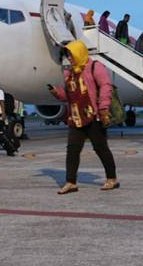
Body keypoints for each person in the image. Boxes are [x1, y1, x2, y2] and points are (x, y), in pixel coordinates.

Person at [49, 40, 119, 194]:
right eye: (67, 55)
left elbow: (106, 86)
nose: (69, 57)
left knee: (101, 148)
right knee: (72, 150)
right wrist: (57, 92)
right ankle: (71, 182)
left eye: (71, 54)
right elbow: (69, 96)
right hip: (76, 117)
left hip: (93, 115)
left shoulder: (95, 67)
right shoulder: (70, 73)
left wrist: (103, 108)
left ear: (79, 52)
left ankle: (112, 179)